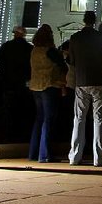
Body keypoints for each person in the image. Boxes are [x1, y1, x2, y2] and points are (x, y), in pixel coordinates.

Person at [67, 10, 102, 166]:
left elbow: (71, 61)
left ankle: (75, 156)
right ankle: (98, 158)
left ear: (83, 20)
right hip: (99, 81)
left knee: (79, 119)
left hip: (81, 81)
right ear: (94, 21)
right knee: (99, 120)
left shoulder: (75, 38)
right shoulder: (101, 38)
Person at [28, 24, 67, 163]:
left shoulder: (34, 51)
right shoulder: (51, 51)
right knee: (48, 120)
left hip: (35, 87)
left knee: (39, 119)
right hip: (50, 86)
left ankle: (33, 153)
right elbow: (63, 66)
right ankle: (45, 154)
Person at [0, 25, 33, 142]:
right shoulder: (28, 48)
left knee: (7, 108)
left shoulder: (7, 46)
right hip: (21, 82)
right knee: (20, 109)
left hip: (7, 81)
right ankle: (18, 133)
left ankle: (6, 132)